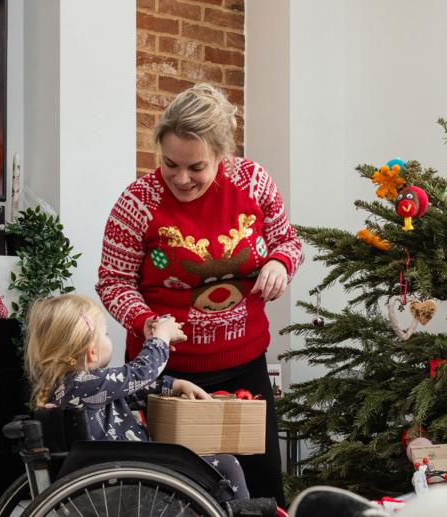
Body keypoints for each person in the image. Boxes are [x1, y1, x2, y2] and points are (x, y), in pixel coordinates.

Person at [96, 83, 302, 505]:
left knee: (260, 484)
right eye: (170, 164)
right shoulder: (138, 202)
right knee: (173, 490)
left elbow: (288, 240)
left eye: (196, 167)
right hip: (166, 373)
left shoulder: (254, 182)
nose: (181, 178)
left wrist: (280, 263)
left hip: (243, 366)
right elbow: (113, 281)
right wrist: (147, 322)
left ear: (222, 157)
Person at [24, 294, 249, 499]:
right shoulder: (84, 384)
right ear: (92, 351)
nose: (108, 337)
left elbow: (132, 390)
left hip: (117, 476)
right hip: (131, 478)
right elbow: (141, 372)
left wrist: (175, 384)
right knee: (227, 465)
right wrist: (161, 337)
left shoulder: (71, 387)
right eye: (106, 334)